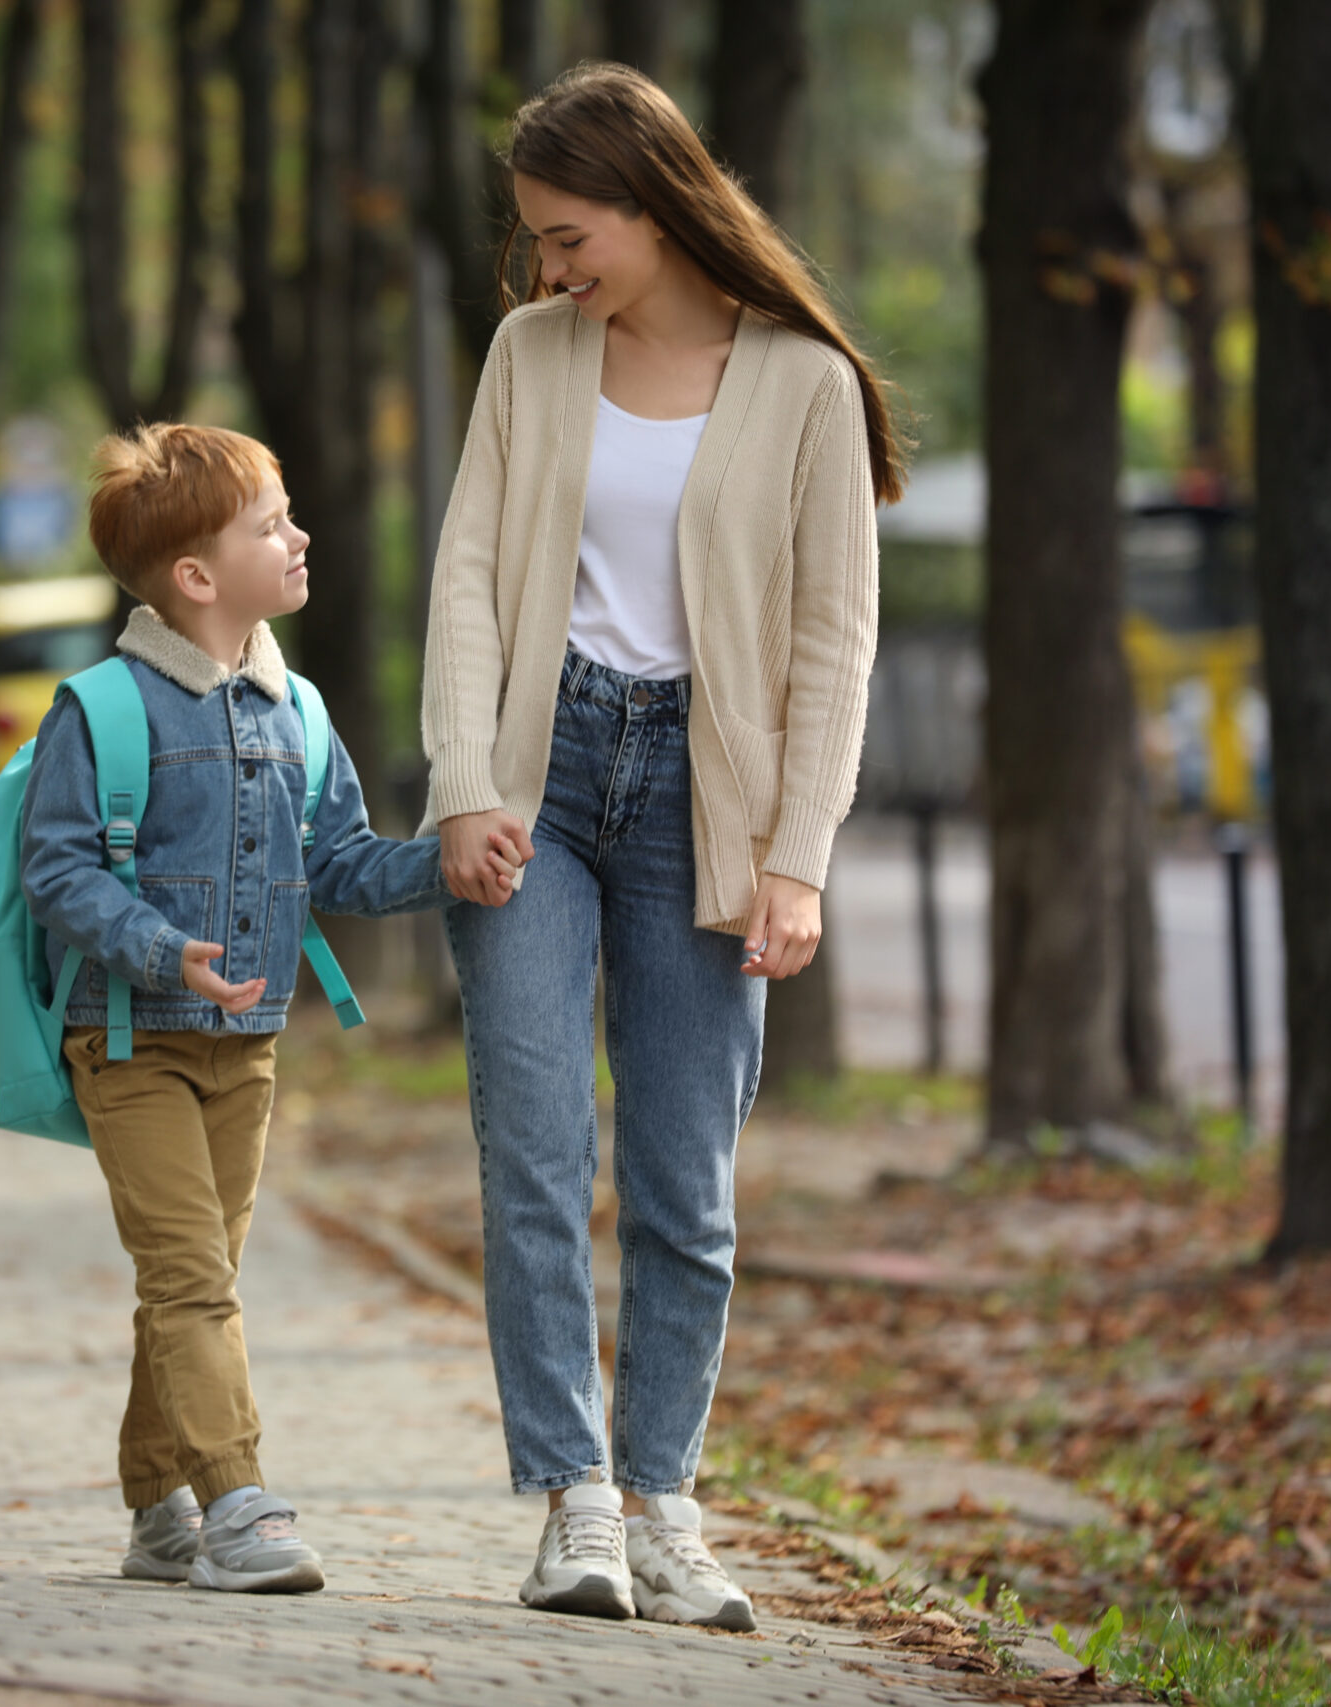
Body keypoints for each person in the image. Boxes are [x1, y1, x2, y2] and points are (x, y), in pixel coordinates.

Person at [421, 64, 901, 1626]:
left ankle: (665, 1500)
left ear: (652, 198)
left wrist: (800, 851)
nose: (552, 270)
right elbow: (473, 575)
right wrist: (466, 776)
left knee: (686, 1179)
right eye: (542, 246)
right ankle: (571, 1500)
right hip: (537, 776)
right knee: (539, 1148)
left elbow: (834, 639)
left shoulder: (806, 384)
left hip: (709, 789)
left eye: (570, 237)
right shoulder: (530, 356)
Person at [20, 423, 485, 1593]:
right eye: (271, 522)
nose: (300, 534)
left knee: (191, 1284)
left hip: (250, 1048)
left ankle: (153, 1507)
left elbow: (340, 866)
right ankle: (239, 1504)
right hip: (130, 1043)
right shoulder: (102, 708)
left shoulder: (300, 712)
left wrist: (449, 860)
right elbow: (59, 868)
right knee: (192, 1281)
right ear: (194, 577)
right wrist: (165, 953)